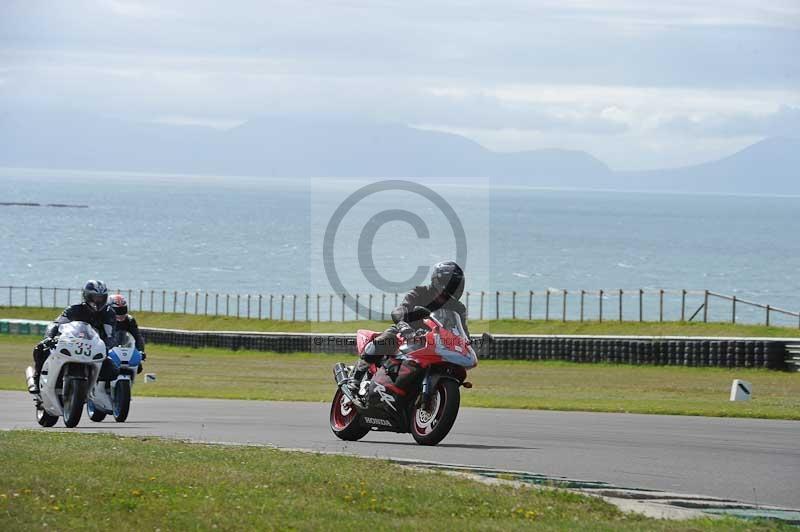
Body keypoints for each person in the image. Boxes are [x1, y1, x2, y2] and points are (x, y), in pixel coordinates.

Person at [347, 261, 469, 393]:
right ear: (440, 282)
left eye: (456, 285)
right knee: (387, 338)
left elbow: (462, 332)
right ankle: (356, 377)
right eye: (451, 284)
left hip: (434, 342)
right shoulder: (421, 292)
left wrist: (470, 343)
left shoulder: (458, 308)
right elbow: (401, 309)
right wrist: (404, 326)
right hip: (407, 333)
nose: (454, 288)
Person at [30, 280, 117, 393]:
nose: (98, 301)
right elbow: (56, 323)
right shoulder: (74, 309)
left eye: (101, 298)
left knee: (113, 371)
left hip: (94, 347)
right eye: (95, 297)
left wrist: (107, 346)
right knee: (40, 349)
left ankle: (98, 393)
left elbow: (111, 335)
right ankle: (36, 379)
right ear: (87, 296)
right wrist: (49, 337)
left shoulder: (109, 313)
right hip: (71, 343)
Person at [108, 294, 147, 373]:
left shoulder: (129, 320)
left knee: (138, 367)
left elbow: (137, 336)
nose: (121, 313)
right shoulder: (105, 319)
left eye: (123, 309)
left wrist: (141, 351)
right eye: (117, 310)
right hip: (108, 349)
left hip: (124, 349)